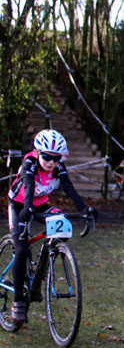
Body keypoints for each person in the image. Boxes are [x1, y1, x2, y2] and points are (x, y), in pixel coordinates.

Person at [7, 129, 98, 323]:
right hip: (19, 205)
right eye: (47, 157)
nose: (51, 162)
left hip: (40, 205)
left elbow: (69, 187)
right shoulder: (29, 163)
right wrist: (28, 207)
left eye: (56, 158)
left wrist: (85, 208)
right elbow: (29, 184)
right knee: (22, 249)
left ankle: (37, 282)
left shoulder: (58, 166)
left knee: (61, 229)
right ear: (37, 152)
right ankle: (18, 301)